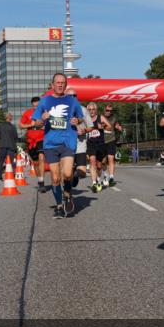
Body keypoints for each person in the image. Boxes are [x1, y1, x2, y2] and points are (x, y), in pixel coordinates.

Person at [32, 73, 84, 218]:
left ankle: (67, 194)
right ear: (53, 84)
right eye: (58, 82)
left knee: (67, 174)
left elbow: (80, 117)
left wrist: (76, 121)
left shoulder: (72, 101)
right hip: (50, 144)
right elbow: (36, 123)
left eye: (63, 82)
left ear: (66, 85)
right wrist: (42, 119)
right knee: (55, 178)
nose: (60, 85)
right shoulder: (45, 101)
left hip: (68, 141)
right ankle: (60, 206)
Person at [19, 96, 48, 192]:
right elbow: (20, 125)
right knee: (35, 163)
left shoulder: (45, 113)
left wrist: (46, 127)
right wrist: (31, 125)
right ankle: (40, 181)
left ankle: (42, 182)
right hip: (31, 140)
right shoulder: (27, 113)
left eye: (38, 105)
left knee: (41, 158)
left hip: (41, 138)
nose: (36, 108)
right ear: (32, 105)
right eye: (34, 106)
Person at [99, 104, 123, 187]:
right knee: (103, 161)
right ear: (104, 109)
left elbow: (117, 126)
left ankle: (111, 178)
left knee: (111, 158)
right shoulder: (100, 117)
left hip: (111, 140)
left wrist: (119, 127)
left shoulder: (114, 118)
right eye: (107, 110)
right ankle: (105, 175)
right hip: (102, 141)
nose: (108, 112)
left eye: (110, 111)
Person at [85, 102, 106, 192]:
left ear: (96, 110)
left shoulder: (100, 117)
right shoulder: (85, 120)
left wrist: (102, 126)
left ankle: (98, 179)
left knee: (99, 166)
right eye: (89, 110)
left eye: (93, 109)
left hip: (100, 144)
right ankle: (94, 183)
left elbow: (109, 126)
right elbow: (82, 130)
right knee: (92, 162)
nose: (91, 111)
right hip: (90, 144)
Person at [0, 112, 19, 180]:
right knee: (10, 162)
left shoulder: (1, 125)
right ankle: (10, 175)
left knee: (1, 161)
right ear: (10, 118)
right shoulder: (12, 126)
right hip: (11, 146)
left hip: (3, 146)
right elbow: (16, 137)